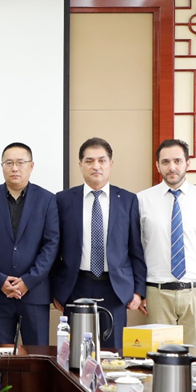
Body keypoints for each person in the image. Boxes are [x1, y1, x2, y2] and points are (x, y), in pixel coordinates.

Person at [51, 137, 146, 349]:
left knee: (114, 352)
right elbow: (53, 248)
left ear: (111, 164)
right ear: (80, 165)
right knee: (77, 351)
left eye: (102, 160)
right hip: (75, 286)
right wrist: (56, 289)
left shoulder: (128, 200)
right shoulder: (63, 200)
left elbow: (136, 249)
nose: (96, 166)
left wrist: (138, 291)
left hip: (116, 288)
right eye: (89, 161)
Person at [138, 139, 196, 357]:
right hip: (156, 294)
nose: (172, 167)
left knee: (194, 363)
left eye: (177, 161)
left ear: (188, 163)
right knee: (158, 362)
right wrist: (139, 291)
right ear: (157, 165)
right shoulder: (142, 200)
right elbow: (136, 250)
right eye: (165, 162)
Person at [0, 142, 59, 346]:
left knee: (37, 358)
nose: (14, 168)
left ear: (31, 166)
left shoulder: (47, 200)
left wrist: (28, 281)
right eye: (9, 163)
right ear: (2, 166)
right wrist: (0, 280)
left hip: (35, 293)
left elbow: (51, 245)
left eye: (20, 162)